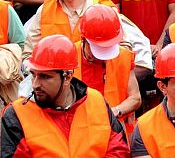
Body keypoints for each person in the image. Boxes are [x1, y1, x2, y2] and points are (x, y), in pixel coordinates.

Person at [1, 35, 130, 157]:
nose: (35, 84)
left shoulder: (97, 102)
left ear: (67, 76)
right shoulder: (16, 114)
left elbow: (118, 150)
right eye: (33, 74)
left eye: (45, 77)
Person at [75, 4, 141, 134]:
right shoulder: (69, 56)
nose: (103, 56)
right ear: (84, 40)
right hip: (79, 131)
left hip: (115, 133)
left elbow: (136, 98)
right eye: (98, 50)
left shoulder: (123, 56)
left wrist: (114, 111)